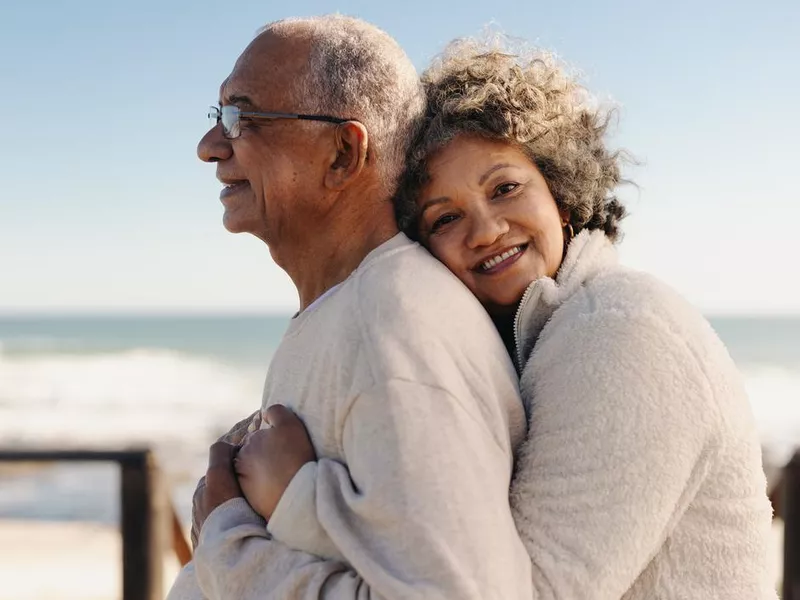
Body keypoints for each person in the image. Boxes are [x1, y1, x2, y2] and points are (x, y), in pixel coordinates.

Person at [247, 39, 778, 598]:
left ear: (562, 194)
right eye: (445, 217)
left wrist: (297, 500)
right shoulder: (535, 340)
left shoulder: (623, 331)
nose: (485, 231)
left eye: (505, 188)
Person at [166, 16, 533, 600]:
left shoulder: (393, 323)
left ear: (342, 153)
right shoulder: (357, 309)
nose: (210, 148)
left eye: (241, 116)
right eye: (218, 118)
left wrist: (227, 543)